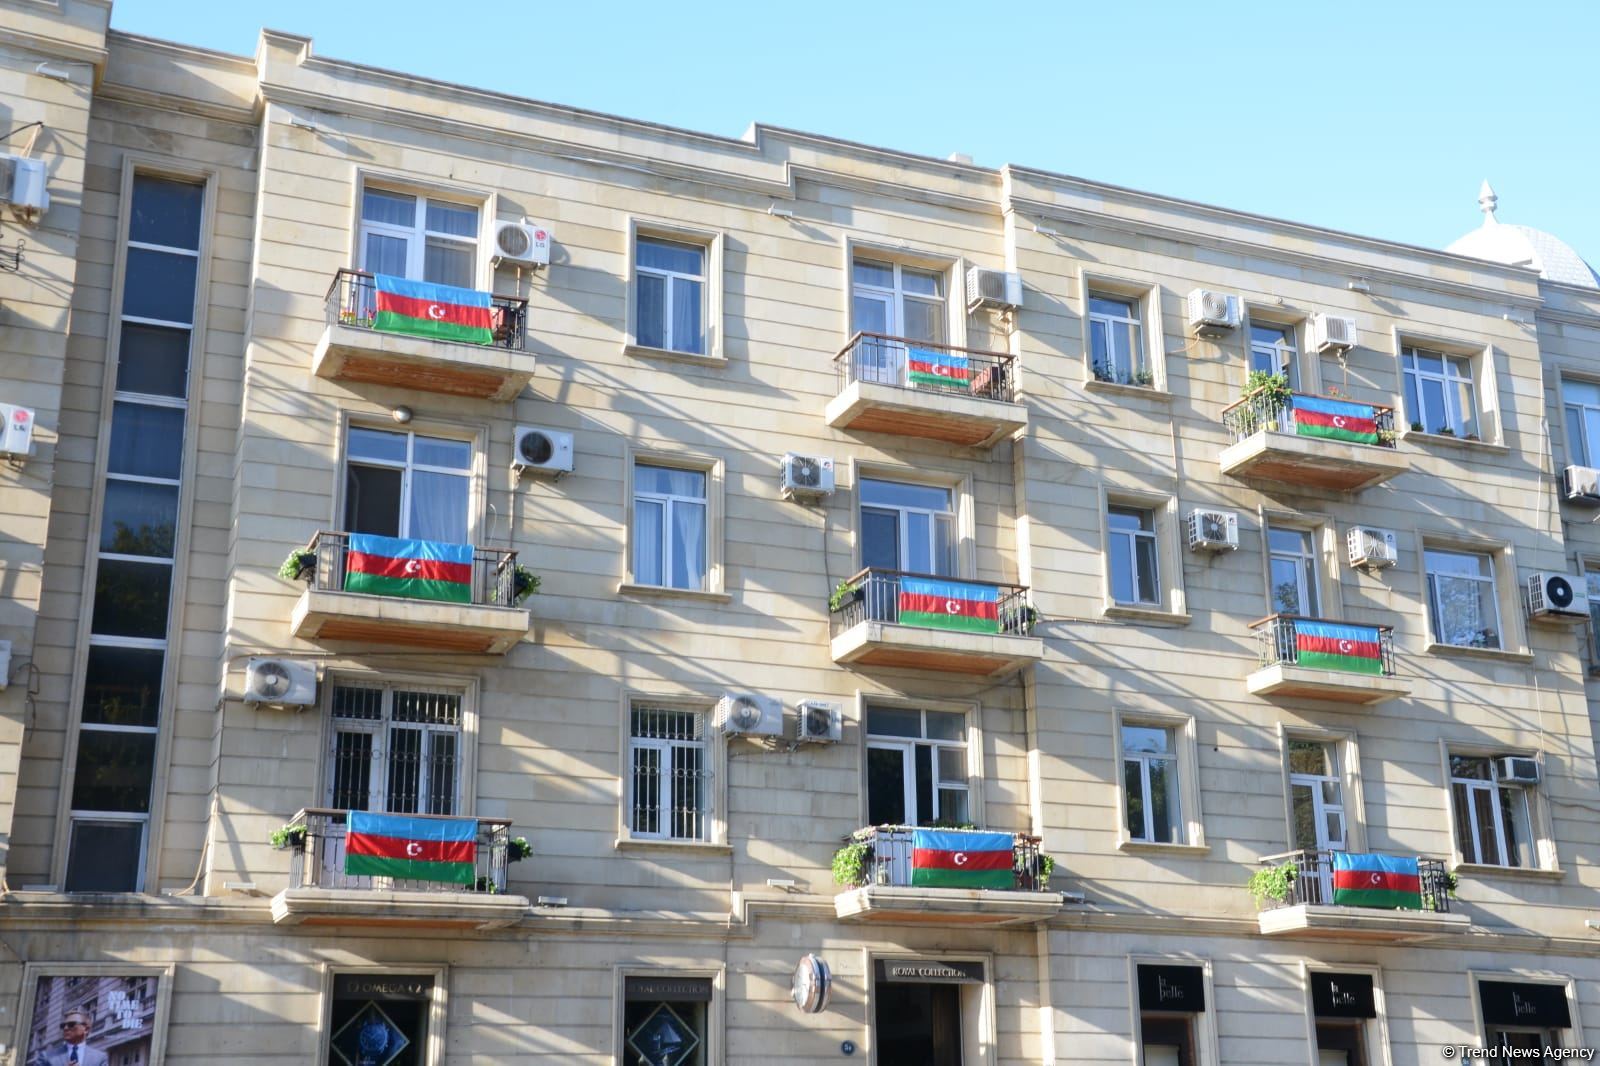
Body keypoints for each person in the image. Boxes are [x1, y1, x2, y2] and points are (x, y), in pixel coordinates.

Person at [31, 1009, 110, 1066]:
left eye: (71, 1025)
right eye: (63, 1026)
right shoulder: (46, 1057)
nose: (65, 1028)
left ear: (86, 1029)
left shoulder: (99, 1058)